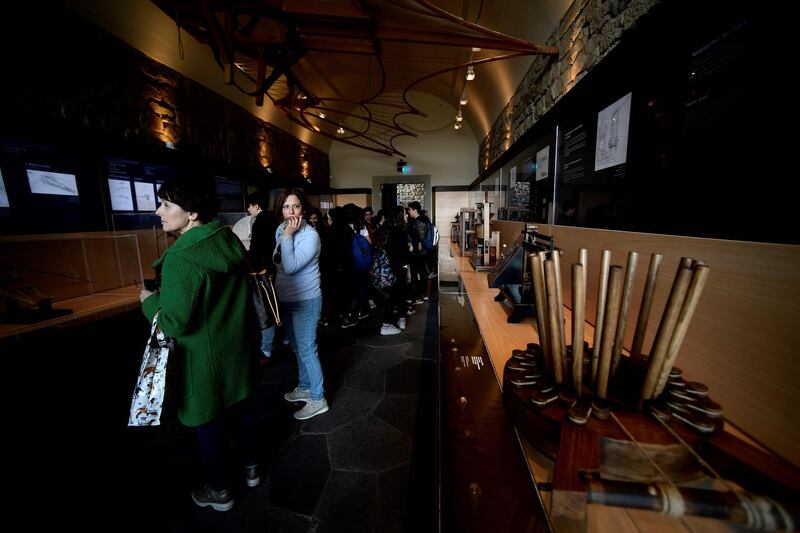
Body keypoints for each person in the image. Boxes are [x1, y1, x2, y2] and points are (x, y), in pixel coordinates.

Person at [138, 173, 258, 512]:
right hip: (235, 348)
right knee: (241, 408)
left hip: (203, 360)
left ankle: (220, 491)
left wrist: (148, 300)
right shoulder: (227, 239)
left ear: (191, 214)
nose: (159, 212)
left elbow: (174, 323)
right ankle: (252, 470)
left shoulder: (181, 258)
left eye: (166, 205)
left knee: (208, 422)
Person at [273, 188, 329, 420]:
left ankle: (318, 399)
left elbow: (291, 266)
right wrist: (285, 234)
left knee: (307, 349)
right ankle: (305, 387)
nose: (291, 211)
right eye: (286, 206)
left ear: (303, 210)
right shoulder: (280, 229)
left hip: (306, 299)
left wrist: (287, 236)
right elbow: (277, 260)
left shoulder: (310, 235)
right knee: (296, 347)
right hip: (287, 298)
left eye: (295, 206)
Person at [246, 190, 279, 363]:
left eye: (250, 206)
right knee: (276, 305)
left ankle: (266, 349)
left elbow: (257, 249)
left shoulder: (260, 221)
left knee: (265, 308)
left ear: (256, 206)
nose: (248, 210)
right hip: (274, 268)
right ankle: (283, 339)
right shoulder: (273, 218)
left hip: (263, 271)